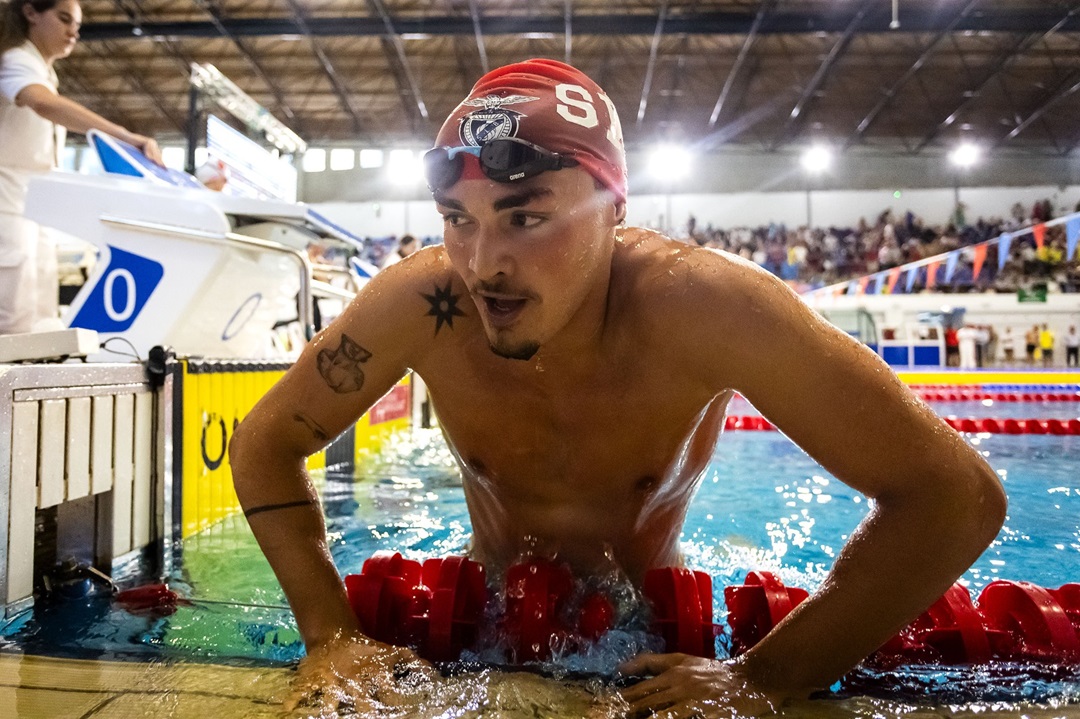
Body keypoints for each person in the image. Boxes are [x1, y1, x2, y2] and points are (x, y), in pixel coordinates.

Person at [229, 59, 1006, 717]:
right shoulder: (423, 306)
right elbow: (266, 441)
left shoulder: (706, 309)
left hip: (654, 631)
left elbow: (955, 496)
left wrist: (762, 678)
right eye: (456, 219)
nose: (482, 264)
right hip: (482, 617)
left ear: (614, 208)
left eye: (524, 217)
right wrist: (331, 635)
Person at [0, 0, 161, 335]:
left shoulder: (45, 71)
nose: (73, 31)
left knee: (38, 319)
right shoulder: (16, 59)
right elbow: (43, 103)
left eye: (77, 25)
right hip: (7, 204)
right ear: (31, 13)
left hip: (32, 206)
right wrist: (123, 136)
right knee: (12, 318)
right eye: (63, 19)